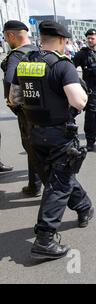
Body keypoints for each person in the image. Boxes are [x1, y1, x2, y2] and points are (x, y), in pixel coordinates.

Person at [9, 21, 94, 259]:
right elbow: (78, 102)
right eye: (66, 42)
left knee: (58, 177)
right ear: (60, 40)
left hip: (34, 132)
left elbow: (14, 97)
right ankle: (44, 239)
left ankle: (84, 206)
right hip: (59, 133)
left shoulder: (24, 64)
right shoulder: (62, 65)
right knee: (59, 183)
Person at [1, 20, 41, 194]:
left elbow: (10, 81)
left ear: (10, 35)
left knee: (32, 148)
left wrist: (15, 107)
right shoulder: (40, 51)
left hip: (27, 110)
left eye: (5, 37)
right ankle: (34, 185)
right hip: (45, 108)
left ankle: (37, 186)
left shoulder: (16, 55)